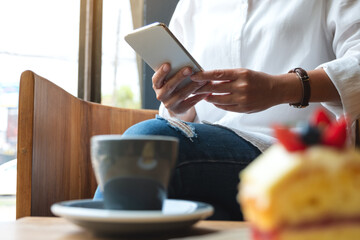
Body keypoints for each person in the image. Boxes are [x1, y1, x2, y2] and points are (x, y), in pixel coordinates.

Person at [94, 0, 360, 220]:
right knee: (184, 213)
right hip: (208, 158)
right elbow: (182, 114)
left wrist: (279, 88)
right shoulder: (194, 4)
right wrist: (176, 105)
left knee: (146, 145)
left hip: (295, 157)